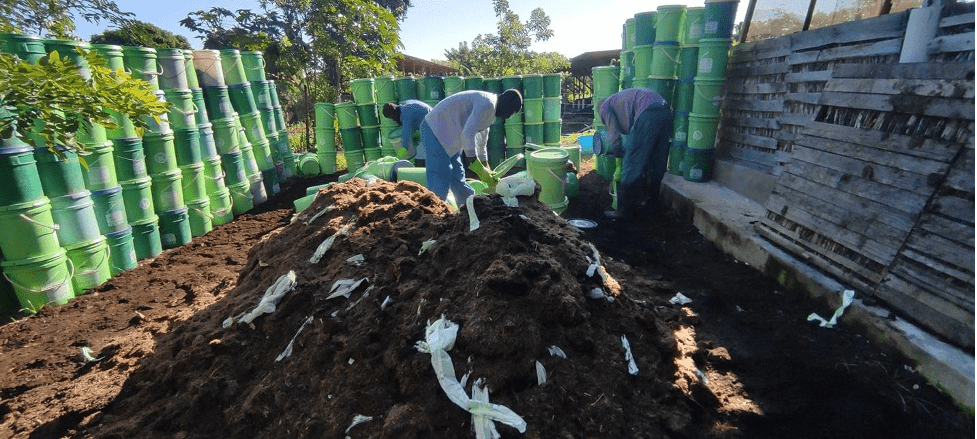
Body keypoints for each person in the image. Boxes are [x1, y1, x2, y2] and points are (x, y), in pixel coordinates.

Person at [421, 89, 523, 203]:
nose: (509, 117)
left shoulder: (490, 111)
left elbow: (481, 143)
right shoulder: (487, 104)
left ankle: (469, 206)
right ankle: (435, 210)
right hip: (435, 130)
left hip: (449, 136)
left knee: (458, 178)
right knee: (440, 177)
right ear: (507, 105)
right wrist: (475, 163)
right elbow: (467, 134)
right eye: (512, 112)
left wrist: (486, 169)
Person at [597, 87, 673, 220]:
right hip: (665, 110)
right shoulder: (620, 100)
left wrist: (618, 151)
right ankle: (651, 207)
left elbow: (613, 133)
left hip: (648, 112)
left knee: (631, 162)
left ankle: (623, 211)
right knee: (656, 160)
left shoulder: (604, 107)